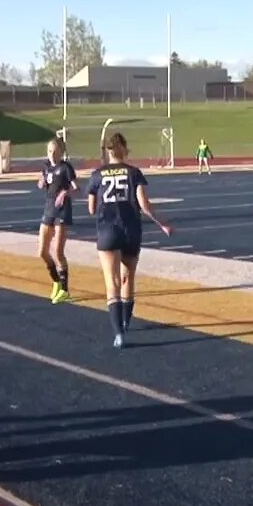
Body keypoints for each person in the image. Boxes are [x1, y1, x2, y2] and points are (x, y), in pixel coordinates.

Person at [86, 132, 173, 348]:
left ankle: (119, 334)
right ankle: (126, 321)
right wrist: (162, 222)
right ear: (124, 149)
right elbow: (144, 204)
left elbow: (90, 208)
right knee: (128, 278)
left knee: (112, 282)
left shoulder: (97, 174)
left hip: (107, 230)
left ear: (107, 151)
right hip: (131, 229)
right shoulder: (134, 173)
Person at [37, 137, 78, 304]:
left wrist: (65, 193)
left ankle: (65, 290)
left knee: (58, 252)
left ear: (61, 152)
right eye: (49, 151)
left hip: (62, 211)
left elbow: (77, 188)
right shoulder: (46, 167)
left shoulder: (66, 168)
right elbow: (44, 182)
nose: (52, 154)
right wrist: (40, 183)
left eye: (54, 151)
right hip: (49, 209)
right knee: (42, 252)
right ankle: (56, 281)